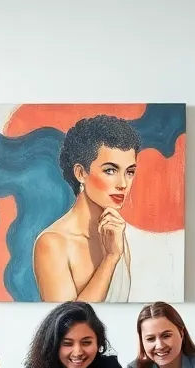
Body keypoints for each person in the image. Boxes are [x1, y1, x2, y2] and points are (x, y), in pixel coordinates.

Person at [34, 115, 138, 302]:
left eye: (129, 172)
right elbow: (68, 318)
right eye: (110, 170)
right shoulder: (52, 243)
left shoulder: (115, 234)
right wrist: (110, 258)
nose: (123, 184)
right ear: (81, 173)